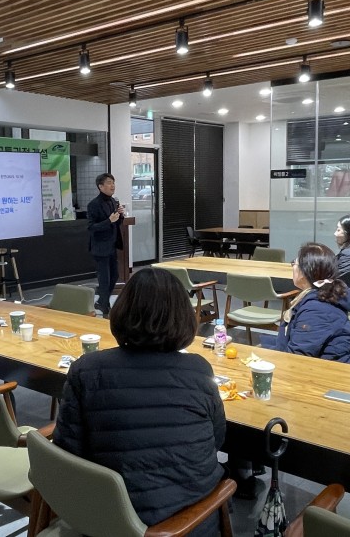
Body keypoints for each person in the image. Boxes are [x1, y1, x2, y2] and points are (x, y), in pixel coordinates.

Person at [53, 268, 226, 534]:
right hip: (187, 523)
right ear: (183, 317)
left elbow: (68, 450)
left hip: (106, 519)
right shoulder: (199, 370)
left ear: (122, 311)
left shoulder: (87, 369)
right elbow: (216, 440)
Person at [262, 242, 350, 365]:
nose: (292, 266)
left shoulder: (318, 309)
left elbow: (298, 358)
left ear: (304, 273)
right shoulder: (321, 296)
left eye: (294, 263)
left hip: (325, 375)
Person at [87, 173, 124, 317]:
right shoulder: (94, 204)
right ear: (100, 186)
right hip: (100, 247)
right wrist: (109, 220)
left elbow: (117, 223)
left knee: (114, 276)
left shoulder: (113, 202)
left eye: (113, 182)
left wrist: (120, 216)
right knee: (105, 278)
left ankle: (102, 301)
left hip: (112, 245)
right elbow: (91, 227)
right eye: (109, 183)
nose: (112, 185)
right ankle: (105, 307)